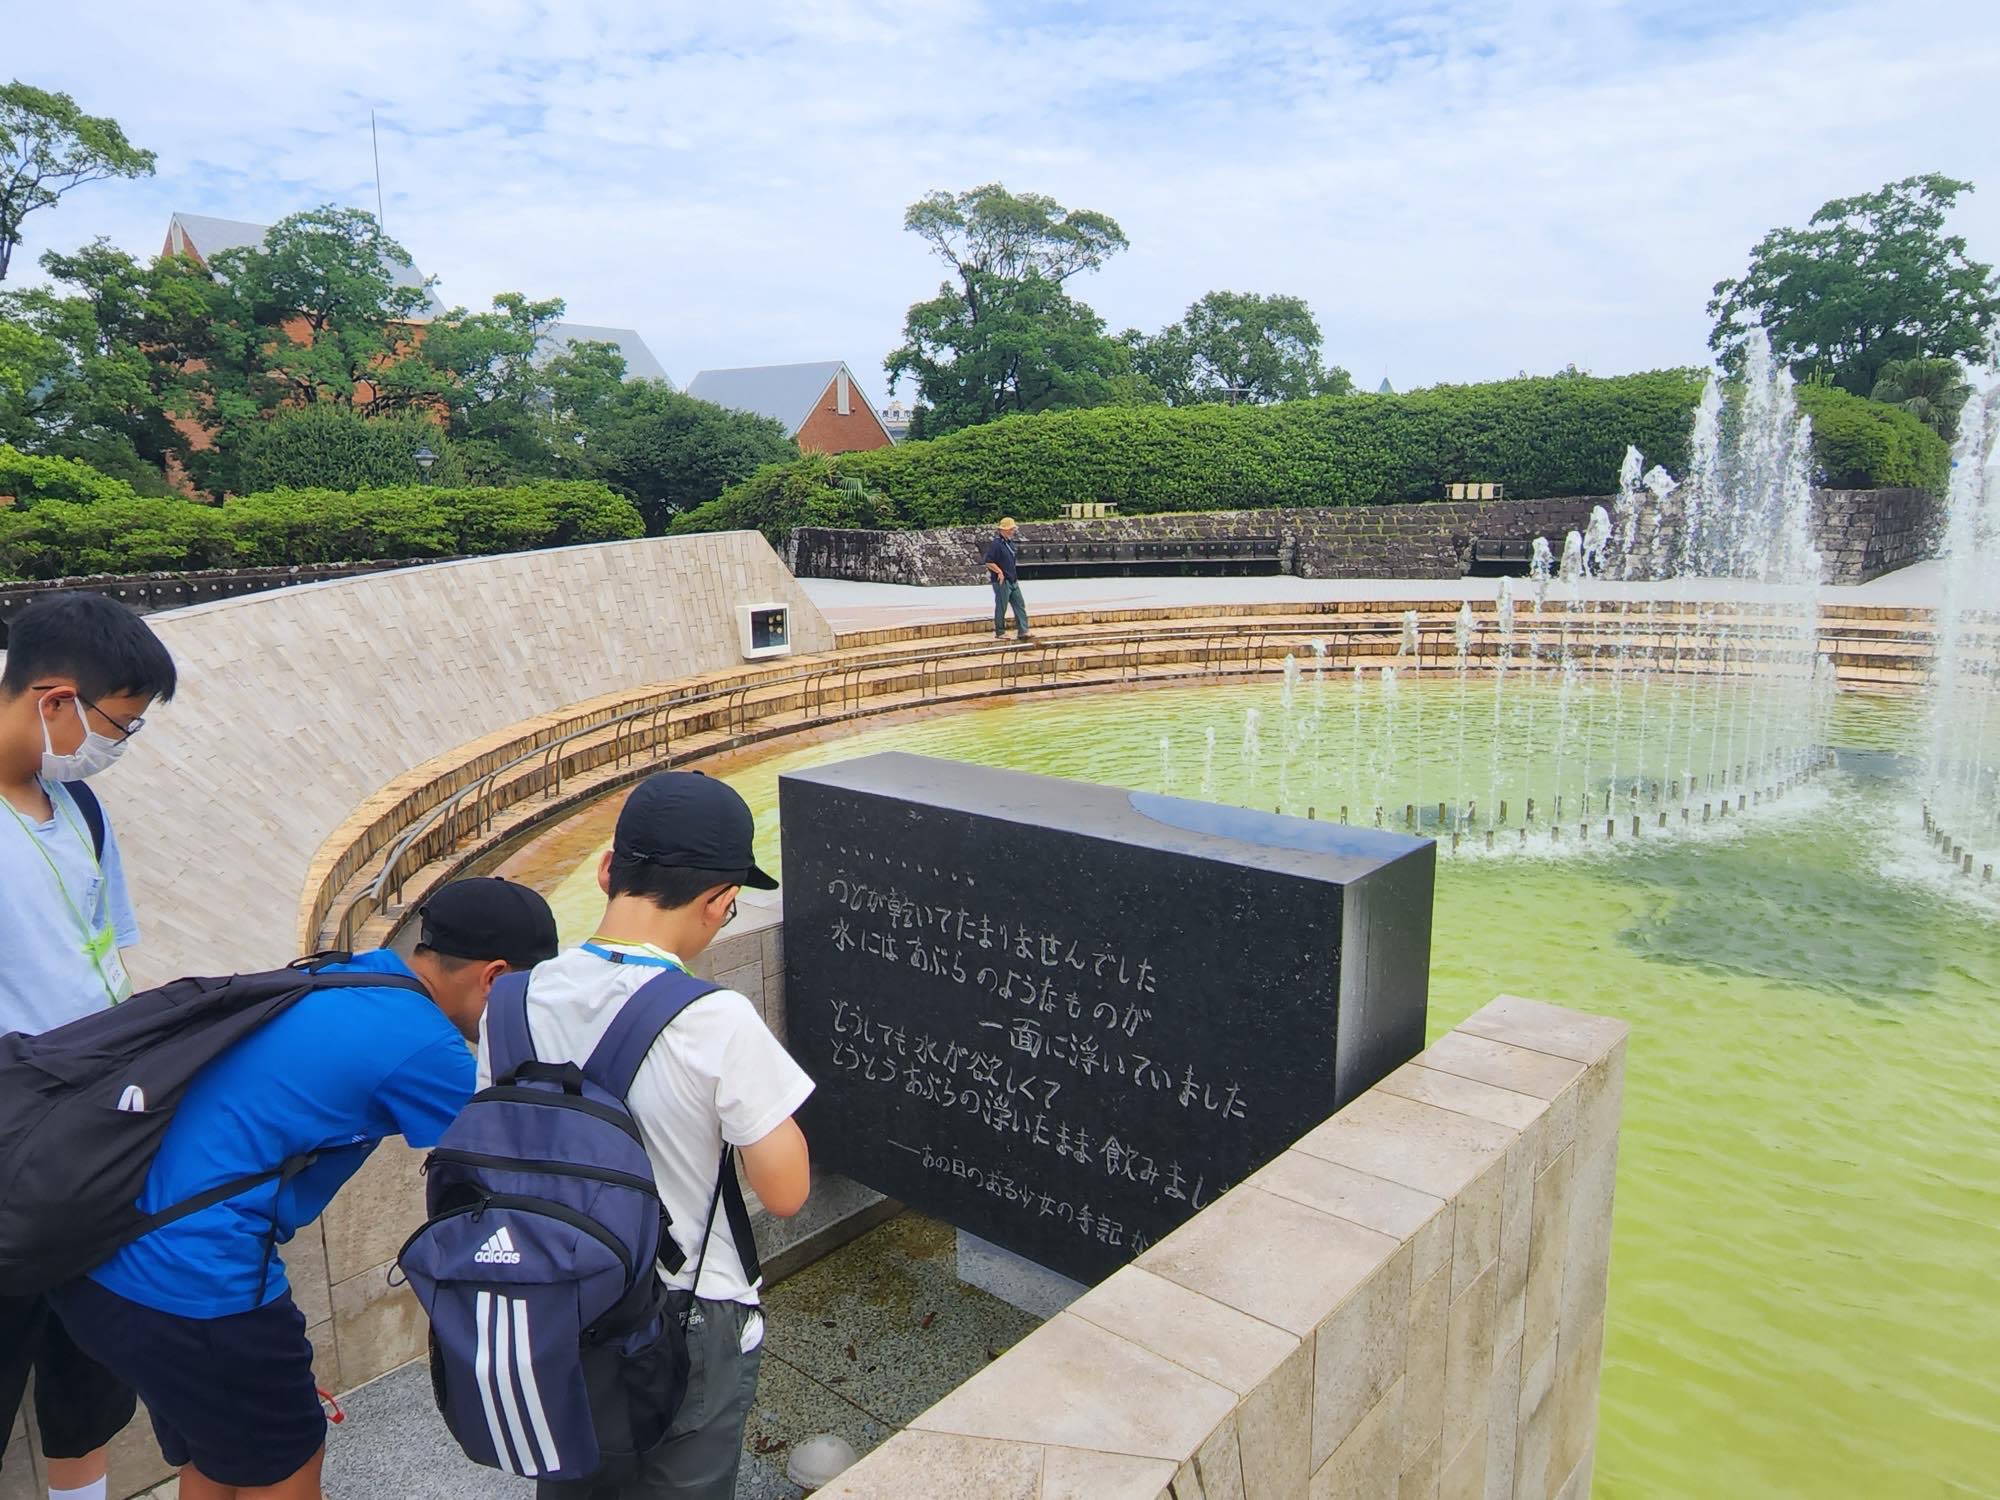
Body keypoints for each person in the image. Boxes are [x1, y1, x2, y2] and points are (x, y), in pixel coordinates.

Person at [50, 878, 561, 1500]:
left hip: (103, 1262)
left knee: (220, 1455)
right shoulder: (424, 1044)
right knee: (290, 1454)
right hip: (196, 1284)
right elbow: (537, 1154)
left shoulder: (349, 977)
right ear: (495, 976)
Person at [488, 771, 812, 1500]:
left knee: (575, 1477)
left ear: (608, 869)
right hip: (683, 1313)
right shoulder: (713, 1018)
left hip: (555, 1298)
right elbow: (787, 1192)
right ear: (717, 901)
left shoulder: (511, 1000)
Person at [0, 592, 177, 1500]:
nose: (119, 745)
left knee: (87, 1385)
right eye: (122, 724)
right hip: (8, 1147)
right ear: (56, 698)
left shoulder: (81, 811)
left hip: (93, 1141)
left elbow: (106, 961)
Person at [984, 517, 1031, 641]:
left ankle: (1023, 630)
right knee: (1001, 606)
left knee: (1019, 604)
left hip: (1012, 579)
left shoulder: (1010, 543)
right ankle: (1000, 632)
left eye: (1013, 529)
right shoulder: (996, 544)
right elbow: (989, 562)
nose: (1012, 531)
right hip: (1001, 581)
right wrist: (999, 572)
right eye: (1010, 529)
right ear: (1003, 530)